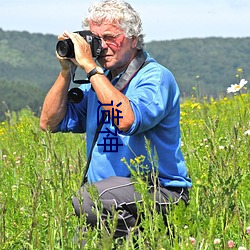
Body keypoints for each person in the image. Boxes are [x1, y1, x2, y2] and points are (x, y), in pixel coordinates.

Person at [40, 0, 192, 244]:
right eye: (96, 39)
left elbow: (126, 121)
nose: (102, 47)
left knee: (88, 200)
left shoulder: (154, 77)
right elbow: (49, 123)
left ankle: (146, 241)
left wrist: (90, 68)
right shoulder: (99, 83)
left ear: (133, 39)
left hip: (159, 192)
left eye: (110, 37)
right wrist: (66, 70)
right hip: (110, 199)